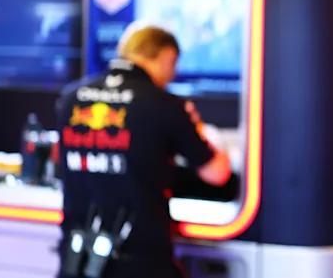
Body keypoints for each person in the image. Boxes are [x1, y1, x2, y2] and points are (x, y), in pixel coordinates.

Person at [56, 24, 231, 278]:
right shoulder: (164, 104)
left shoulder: (71, 97)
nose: (173, 74)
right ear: (167, 56)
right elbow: (217, 173)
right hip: (140, 261)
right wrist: (199, 127)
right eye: (174, 65)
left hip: (77, 260)